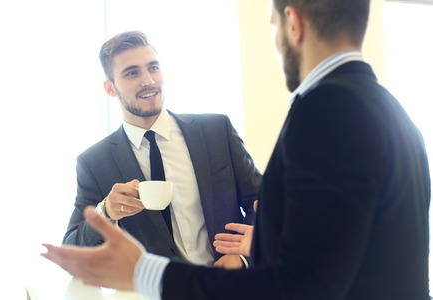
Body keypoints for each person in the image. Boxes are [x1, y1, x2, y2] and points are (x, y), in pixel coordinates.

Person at [42, 0, 431, 299]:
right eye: (132, 72)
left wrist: (145, 271)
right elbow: (335, 246)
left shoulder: (324, 112)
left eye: (274, 25)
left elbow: (302, 283)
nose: (276, 42)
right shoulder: (390, 109)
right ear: (110, 87)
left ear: (293, 22)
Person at [61, 30, 262, 270]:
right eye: (132, 73)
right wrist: (106, 211)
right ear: (110, 88)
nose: (148, 80)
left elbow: (262, 202)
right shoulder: (95, 163)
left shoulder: (216, 131)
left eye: (153, 67)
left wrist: (241, 257)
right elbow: (71, 254)